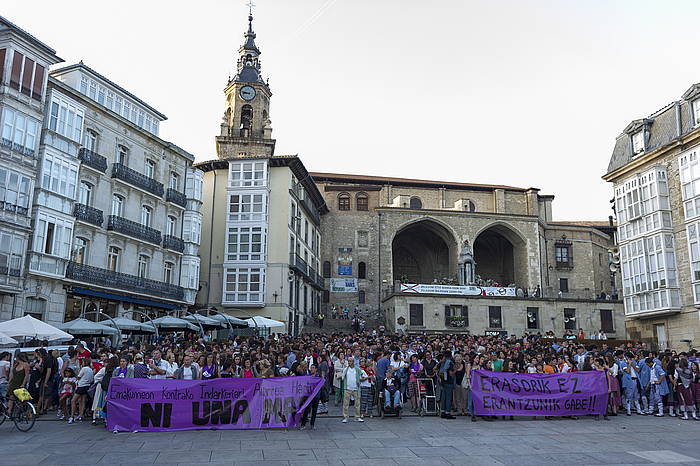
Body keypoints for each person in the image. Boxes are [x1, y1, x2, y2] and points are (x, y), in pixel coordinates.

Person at [341, 356, 367, 423]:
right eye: (349, 361)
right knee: (346, 404)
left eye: (351, 361)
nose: (349, 362)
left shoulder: (357, 369)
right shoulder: (345, 369)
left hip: (356, 388)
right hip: (347, 388)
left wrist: (361, 378)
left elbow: (363, 375)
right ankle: (345, 417)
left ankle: (357, 417)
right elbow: (342, 377)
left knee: (357, 404)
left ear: (353, 362)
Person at [69, 357, 94, 424]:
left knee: (73, 400)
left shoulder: (84, 368)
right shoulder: (90, 369)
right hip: (87, 385)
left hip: (81, 386)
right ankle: (81, 415)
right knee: (82, 401)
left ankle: (72, 416)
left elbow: (78, 377)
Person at [439, 351, 456, 419]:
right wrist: (455, 370)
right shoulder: (450, 363)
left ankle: (442, 411)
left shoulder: (442, 363)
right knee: (448, 398)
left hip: (443, 381)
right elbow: (451, 373)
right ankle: (448, 412)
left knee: (444, 397)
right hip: (449, 381)